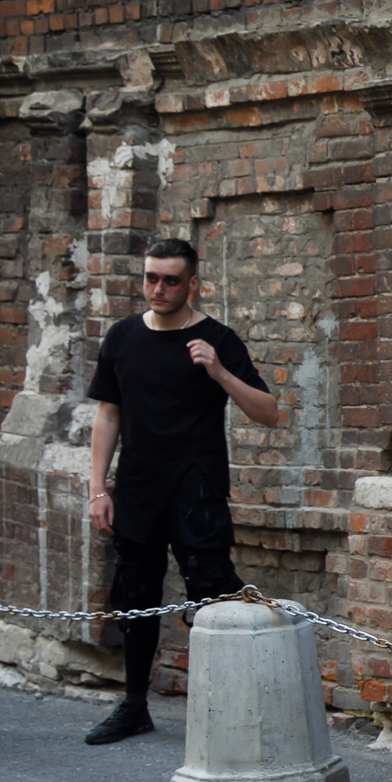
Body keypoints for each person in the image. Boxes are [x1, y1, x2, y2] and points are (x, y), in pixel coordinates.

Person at [82, 241, 281, 745]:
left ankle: (228, 713)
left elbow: (268, 411)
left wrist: (218, 371)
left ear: (193, 283)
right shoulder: (123, 337)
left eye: (171, 280)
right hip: (137, 488)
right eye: (151, 278)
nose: (159, 289)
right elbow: (108, 415)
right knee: (135, 599)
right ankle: (133, 706)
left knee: (211, 596)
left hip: (196, 489)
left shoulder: (217, 339)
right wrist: (96, 488)